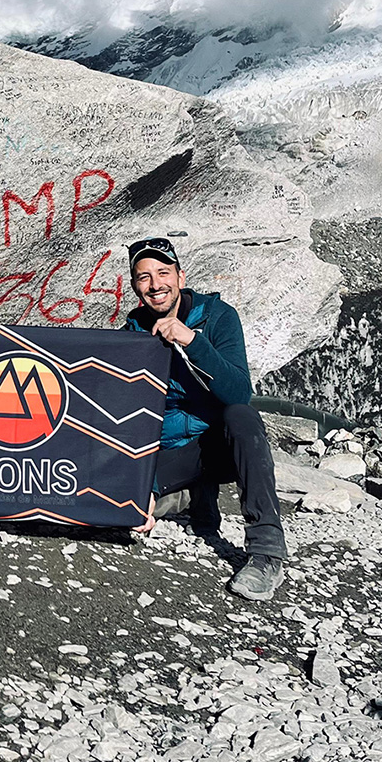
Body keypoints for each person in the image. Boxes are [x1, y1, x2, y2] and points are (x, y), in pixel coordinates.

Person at [123, 237, 288, 601]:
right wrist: (139, 487)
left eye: (163, 273)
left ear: (181, 276)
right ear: (135, 286)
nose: (155, 285)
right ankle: (185, 495)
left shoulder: (218, 317)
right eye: (143, 278)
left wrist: (191, 340)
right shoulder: (131, 335)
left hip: (216, 447)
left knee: (242, 417)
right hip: (168, 449)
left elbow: (238, 392)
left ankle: (267, 552)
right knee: (125, 512)